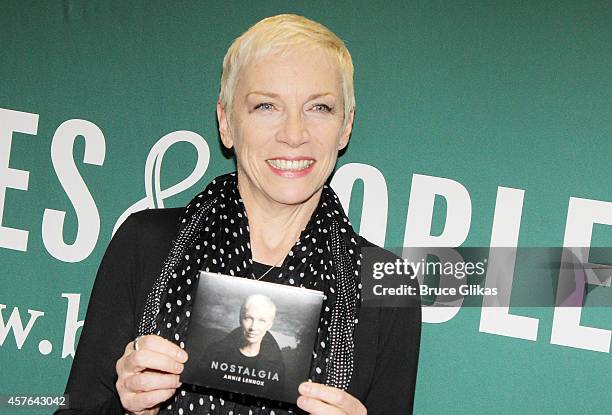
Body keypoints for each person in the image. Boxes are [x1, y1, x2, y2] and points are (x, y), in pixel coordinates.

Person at [56, 13, 421, 415]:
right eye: (266, 106)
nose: (294, 133)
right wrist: (130, 411)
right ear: (227, 123)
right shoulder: (144, 242)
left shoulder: (387, 287)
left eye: (319, 107)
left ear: (345, 127)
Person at [195, 295, 285, 399]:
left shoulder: (277, 367)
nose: (253, 327)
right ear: (240, 319)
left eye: (261, 321)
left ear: (269, 325)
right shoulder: (214, 352)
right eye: (248, 318)